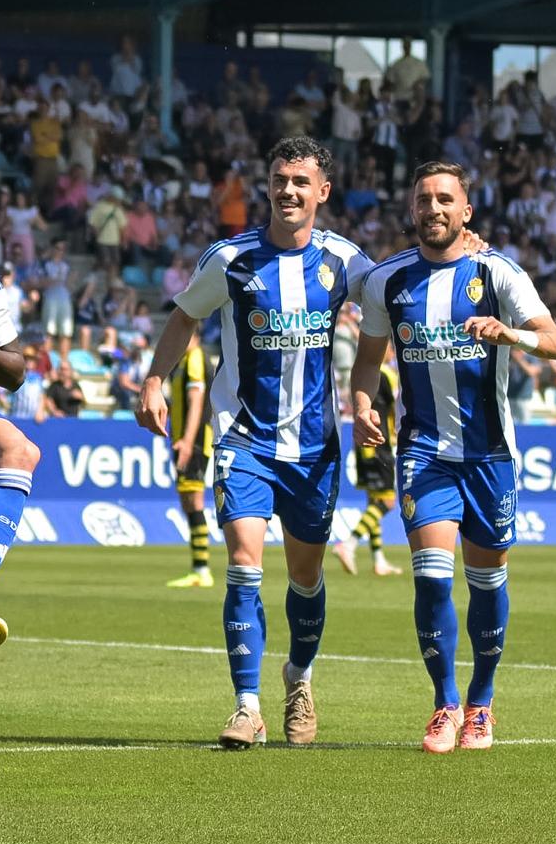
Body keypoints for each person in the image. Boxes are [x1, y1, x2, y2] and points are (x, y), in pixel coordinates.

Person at [136, 136, 371, 750]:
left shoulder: (344, 261)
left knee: (305, 578)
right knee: (243, 563)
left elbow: (399, 294)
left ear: (322, 191)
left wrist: (463, 252)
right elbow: (186, 315)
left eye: (301, 181)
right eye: (279, 179)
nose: (288, 190)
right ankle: (246, 707)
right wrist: (155, 380)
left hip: (315, 447)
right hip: (244, 439)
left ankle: (299, 678)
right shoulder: (230, 258)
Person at [350, 161, 556, 754]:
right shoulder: (387, 281)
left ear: (465, 210)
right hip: (424, 450)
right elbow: (369, 357)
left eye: (445, 199)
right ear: (412, 210)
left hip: (490, 454)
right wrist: (362, 402)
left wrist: (510, 335)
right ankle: (445, 704)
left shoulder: (497, 272)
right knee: (431, 578)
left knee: (487, 578)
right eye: (424, 199)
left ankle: (482, 703)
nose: (434, 208)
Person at [334, 350, 403, 578]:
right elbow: (395, 410)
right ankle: (349, 544)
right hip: (379, 443)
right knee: (387, 502)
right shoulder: (385, 375)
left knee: (374, 500)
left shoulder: (364, 376)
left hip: (363, 442)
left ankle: (378, 559)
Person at [165, 339, 214, 589]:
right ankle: (198, 567)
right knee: (188, 500)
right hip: (185, 438)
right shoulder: (184, 360)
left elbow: (197, 400)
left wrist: (187, 440)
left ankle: (202, 569)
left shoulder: (195, 358)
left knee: (194, 500)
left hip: (194, 440)